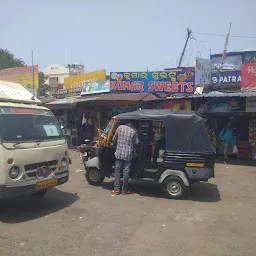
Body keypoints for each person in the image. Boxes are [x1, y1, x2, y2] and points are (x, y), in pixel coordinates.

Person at [111, 123, 139, 195]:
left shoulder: (119, 128)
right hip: (128, 154)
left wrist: (116, 146)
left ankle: (116, 190)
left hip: (119, 153)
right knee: (126, 171)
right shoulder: (133, 132)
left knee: (117, 171)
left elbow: (114, 139)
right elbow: (137, 142)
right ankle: (124, 190)